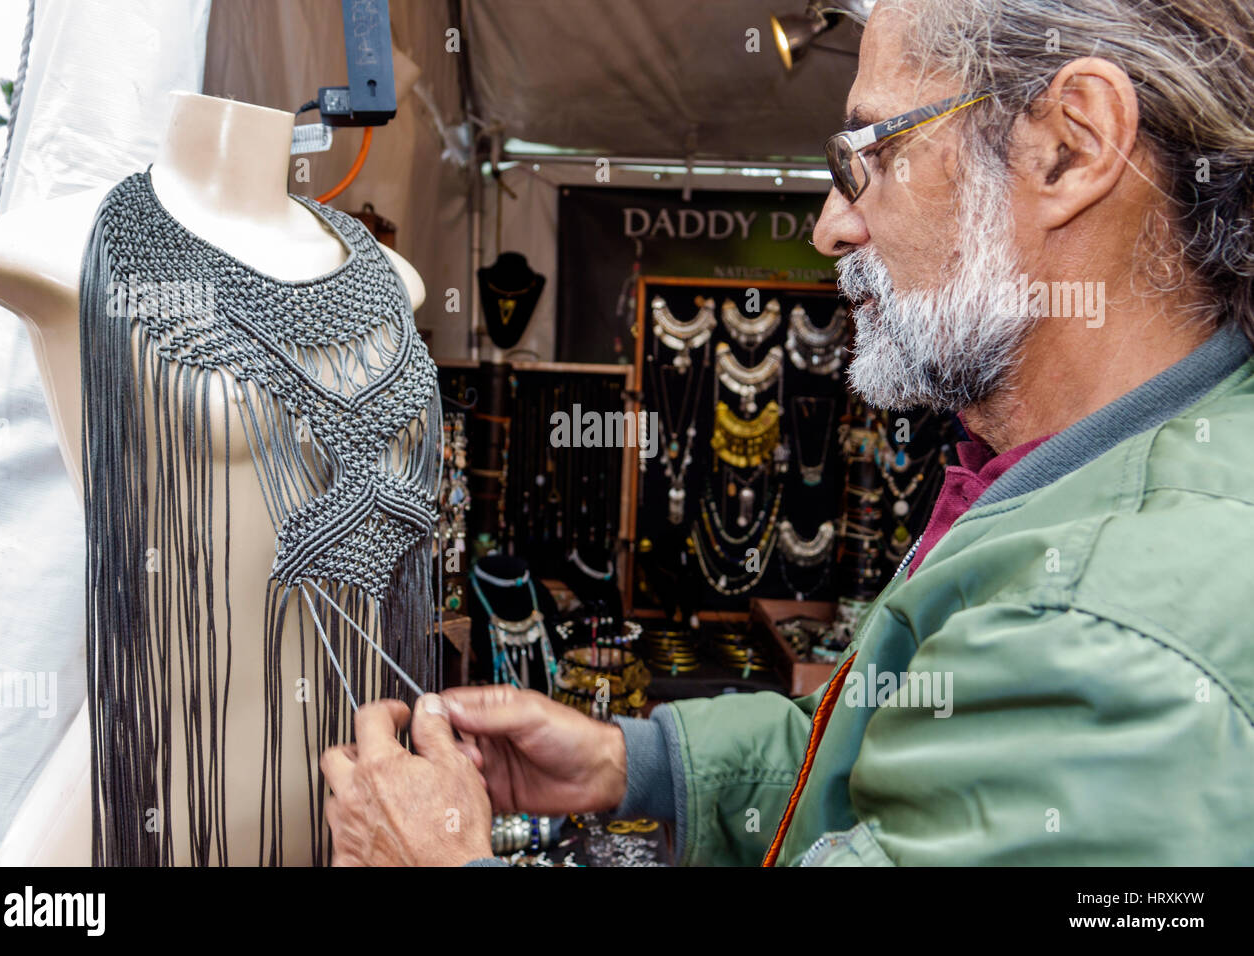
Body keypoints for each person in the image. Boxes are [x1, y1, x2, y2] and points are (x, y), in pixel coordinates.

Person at [320, 0, 1254, 866]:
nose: (830, 228)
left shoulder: (1104, 633)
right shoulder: (1077, 485)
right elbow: (892, 751)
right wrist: (631, 763)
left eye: (868, 156)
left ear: (1069, 148)